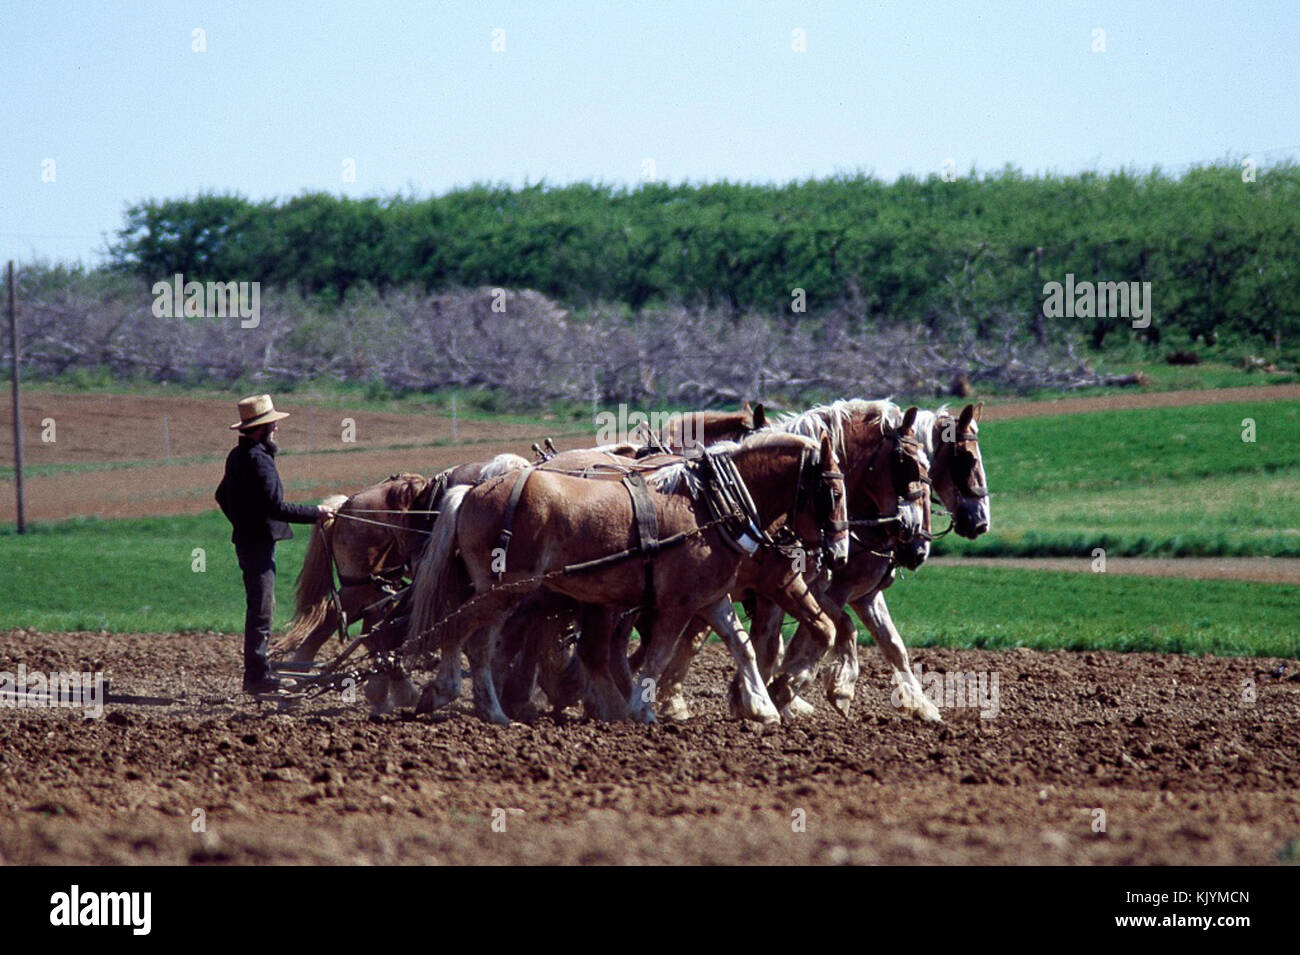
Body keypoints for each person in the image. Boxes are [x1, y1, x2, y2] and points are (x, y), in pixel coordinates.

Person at [215, 395, 335, 695]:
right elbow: (275, 507)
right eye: (273, 425)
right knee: (261, 609)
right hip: (257, 544)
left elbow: (221, 495)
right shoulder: (259, 460)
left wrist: (241, 522)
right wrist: (316, 513)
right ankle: (256, 677)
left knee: (260, 605)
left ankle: (257, 672)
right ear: (263, 428)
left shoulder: (237, 456)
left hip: (247, 541)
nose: (277, 430)